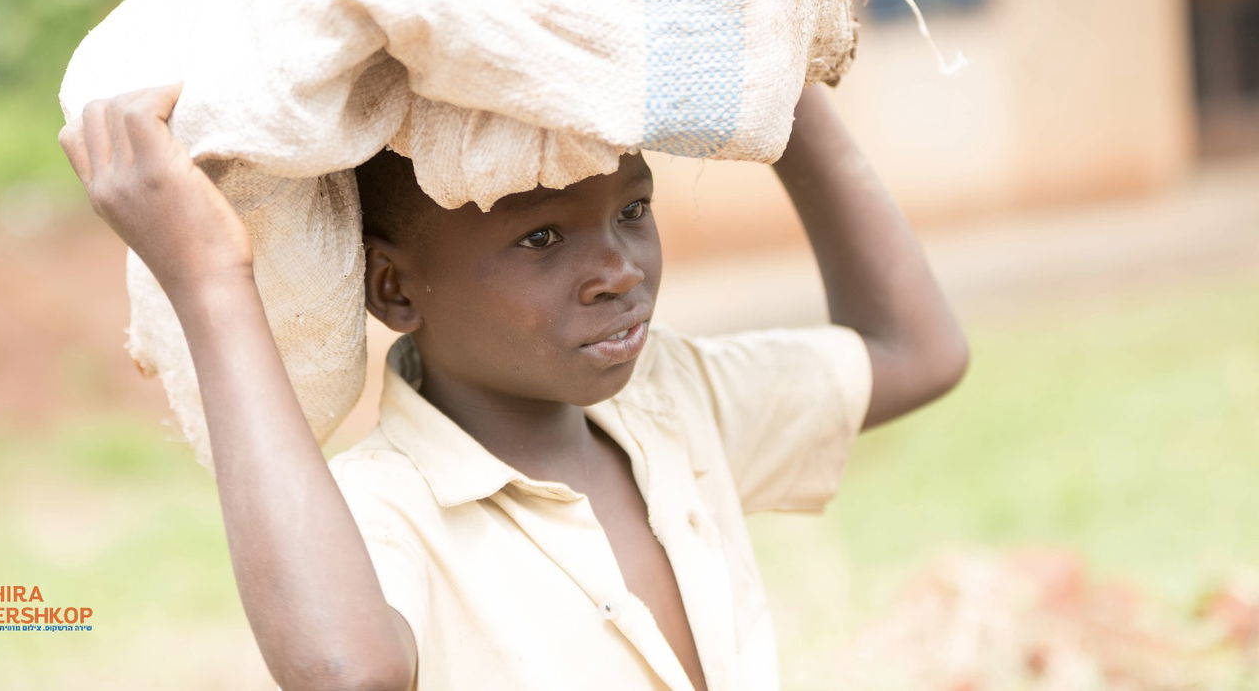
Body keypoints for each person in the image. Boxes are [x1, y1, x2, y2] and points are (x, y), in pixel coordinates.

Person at [58, 79, 969, 690]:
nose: (620, 269)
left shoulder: (674, 404)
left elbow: (916, 352)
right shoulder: (384, 511)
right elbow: (346, 673)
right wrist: (211, 281)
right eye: (542, 238)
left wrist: (777, 79)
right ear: (393, 288)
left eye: (633, 209)